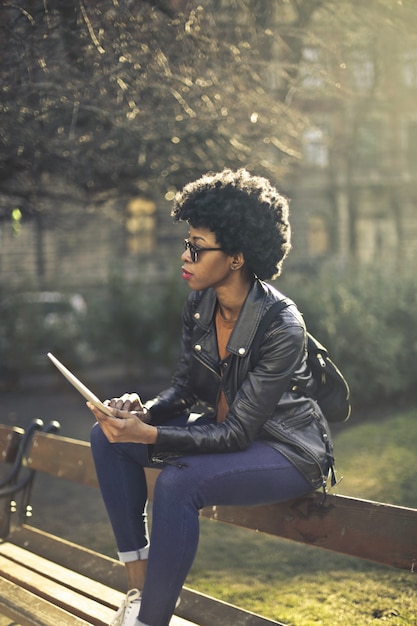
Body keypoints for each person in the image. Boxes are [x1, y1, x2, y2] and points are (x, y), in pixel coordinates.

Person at [88, 168, 336, 626]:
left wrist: (153, 433)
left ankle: (149, 622)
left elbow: (240, 432)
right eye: (187, 243)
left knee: (180, 482)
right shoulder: (200, 302)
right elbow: (185, 389)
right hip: (229, 435)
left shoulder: (282, 325)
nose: (186, 255)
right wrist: (139, 413)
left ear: (237, 257)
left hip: (287, 450)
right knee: (107, 438)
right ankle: (140, 588)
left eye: (197, 248)